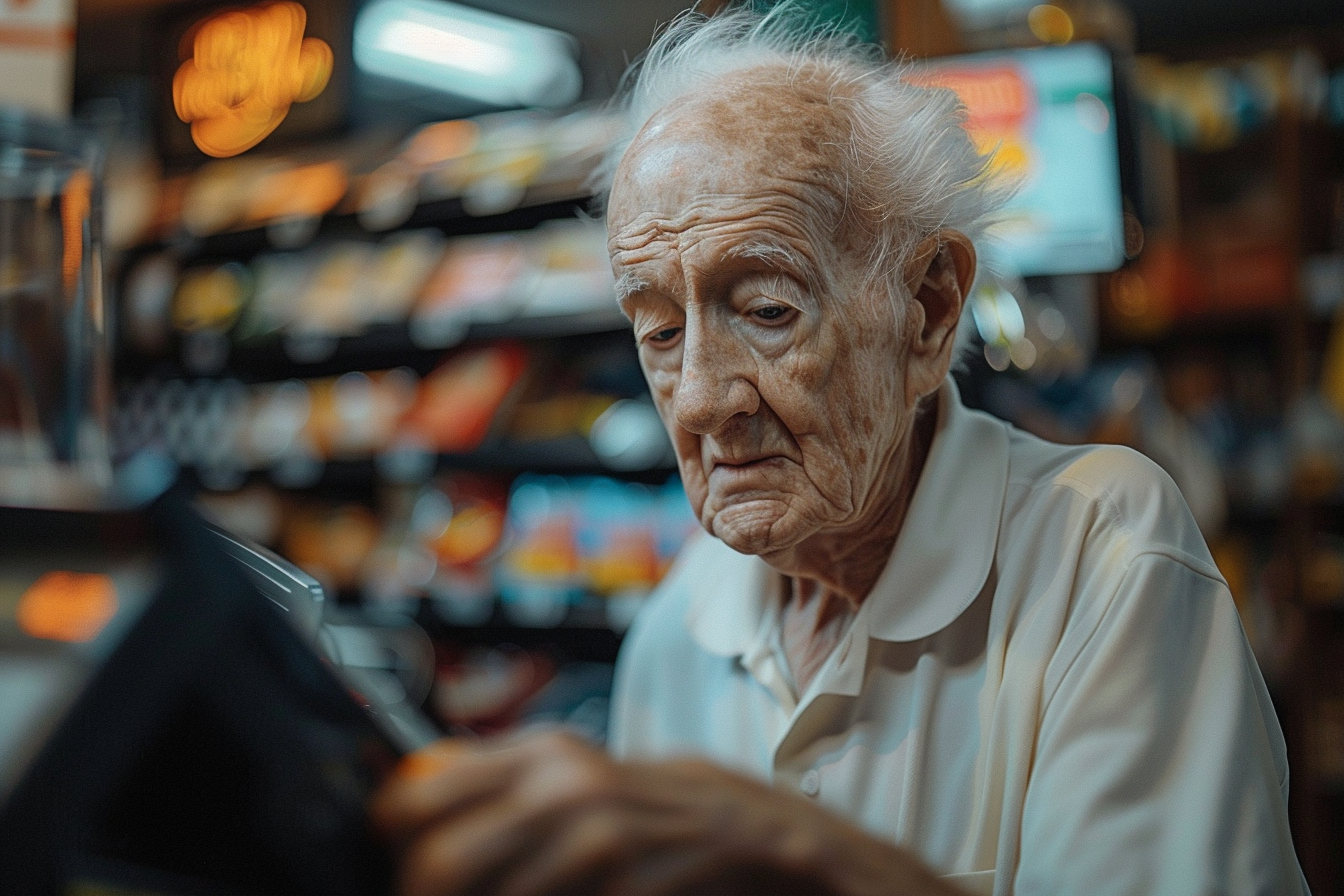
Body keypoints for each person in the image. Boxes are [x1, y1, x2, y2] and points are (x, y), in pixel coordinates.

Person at [371, 7, 1309, 895]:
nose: (699, 399)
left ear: (930, 309)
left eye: (769, 310)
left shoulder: (1102, 554)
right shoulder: (674, 634)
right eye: (658, 332)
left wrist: (786, 851)